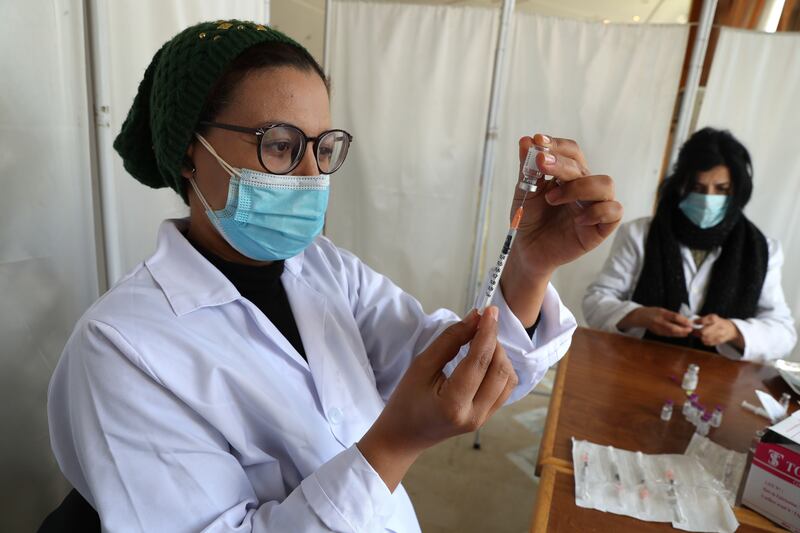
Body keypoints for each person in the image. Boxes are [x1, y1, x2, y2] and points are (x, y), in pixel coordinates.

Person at [45, 20, 621, 532]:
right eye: (278, 145)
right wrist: (393, 445)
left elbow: (455, 370)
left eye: (322, 148)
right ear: (189, 154)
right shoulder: (121, 347)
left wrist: (530, 264)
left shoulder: (325, 269)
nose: (311, 175)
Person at [583, 127, 796, 362]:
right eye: (698, 188)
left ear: (737, 192)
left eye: (722, 189)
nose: (708, 199)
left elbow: (784, 333)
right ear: (680, 185)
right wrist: (640, 316)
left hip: (720, 381)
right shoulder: (639, 234)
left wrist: (733, 331)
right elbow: (595, 302)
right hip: (639, 365)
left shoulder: (763, 250)